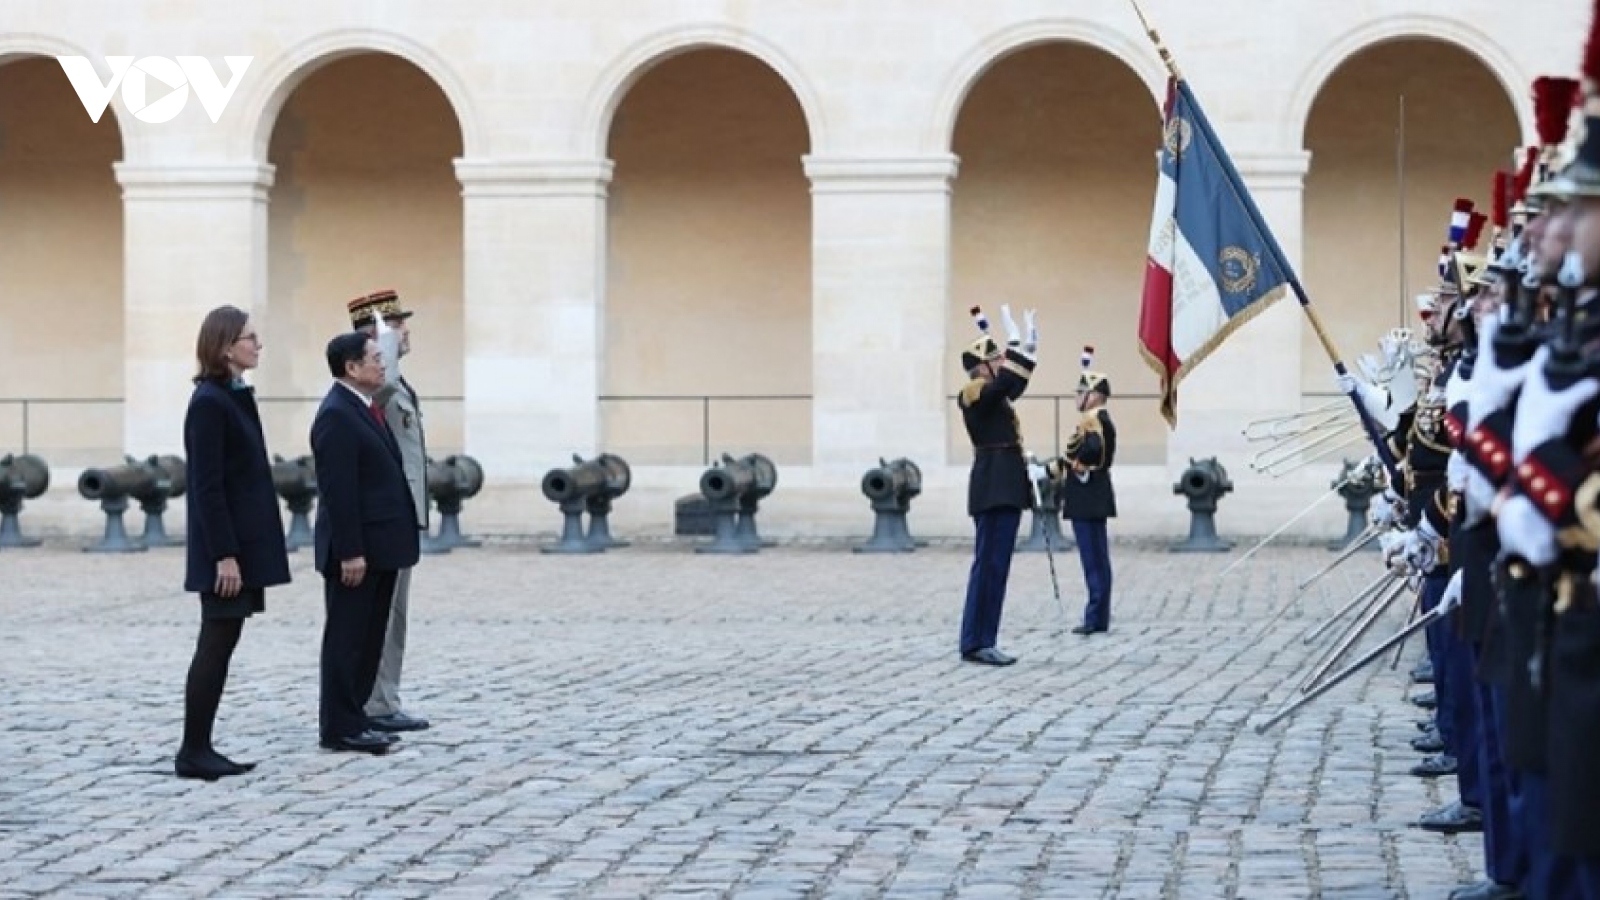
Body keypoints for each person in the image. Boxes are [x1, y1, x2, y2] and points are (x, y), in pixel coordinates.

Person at [177, 306, 290, 780]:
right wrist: (224, 554)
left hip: (241, 544)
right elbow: (207, 486)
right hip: (225, 550)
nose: (258, 344)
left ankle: (200, 746)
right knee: (216, 642)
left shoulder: (234, 397)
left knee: (224, 641)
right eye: (249, 337)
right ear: (226, 346)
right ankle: (194, 749)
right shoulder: (208, 402)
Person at [311, 332, 421, 754]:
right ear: (351, 368)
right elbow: (340, 492)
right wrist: (351, 551)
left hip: (382, 547)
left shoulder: (366, 408)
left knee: (369, 637)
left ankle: (356, 718)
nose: (383, 364)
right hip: (358, 552)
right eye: (375, 358)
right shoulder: (337, 414)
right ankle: (338, 725)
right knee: (347, 638)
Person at [348, 290, 431, 735]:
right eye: (397, 325)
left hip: (404, 515)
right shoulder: (378, 383)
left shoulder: (394, 382)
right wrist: (384, 341)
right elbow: (382, 388)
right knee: (382, 616)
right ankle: (374, 702)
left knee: (395, 616)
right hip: (385, 519)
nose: (405, 332)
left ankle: (384, 698)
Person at [957, 305, 1036, 667]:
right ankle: (976, 641)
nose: (1002, 363)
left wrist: (1028, 352)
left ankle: (983, 638)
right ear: (983, 366)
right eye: (997, 359)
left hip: (1003, 485)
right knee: (989, 565)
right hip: (993, 487)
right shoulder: (974, 392)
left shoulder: (993, 393)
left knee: (996, 566)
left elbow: (1013, 384)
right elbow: (1005, 383)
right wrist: (1016, 346)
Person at [1057, 349, 1117, 636]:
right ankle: (1099, 615)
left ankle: (1095, 618)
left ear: (1093, 395)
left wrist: (1080, 465)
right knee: (1097, 558)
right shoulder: (1097, 418)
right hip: (1094, 494)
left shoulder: (1093, 420)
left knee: (1093, 559)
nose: (1076, 396)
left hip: (1089, 494)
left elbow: (1093, 449)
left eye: (1081, 391)